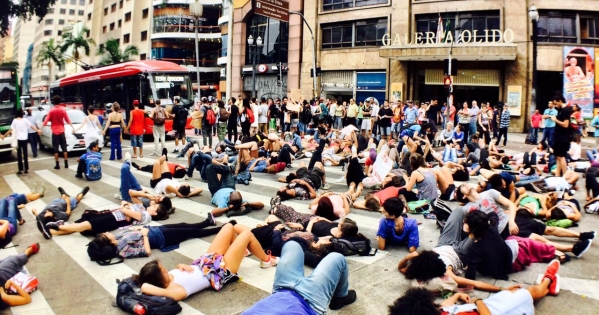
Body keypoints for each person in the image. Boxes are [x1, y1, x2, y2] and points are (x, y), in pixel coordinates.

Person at [134, 223, 279, 301]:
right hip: (220, 272)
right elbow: (154, 289)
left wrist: (180, 265)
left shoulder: (167, 279)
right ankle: (266, 260)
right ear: (159, 281)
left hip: (205, 262)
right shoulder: (174, 291)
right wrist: (145, 286)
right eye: (163, 271)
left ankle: (241, 251)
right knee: (247, 234)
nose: (166, 270)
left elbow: (176, 272)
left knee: (228, 227)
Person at [243, 241, 356, 314]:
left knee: (292, 245)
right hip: (310, 304)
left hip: (282, 291)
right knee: (336, 258)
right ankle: (341, 297)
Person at [89, 215, 220, 259]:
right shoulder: (122, 250)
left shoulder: (117, 237)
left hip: (156, 230)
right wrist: (145, 235)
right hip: (161, 238)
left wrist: (138, 229)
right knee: (191, 231)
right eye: (105, 234)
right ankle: (220, 229)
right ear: (108, 242)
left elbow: (131, 231)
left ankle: (207, 222)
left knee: (183, 225)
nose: (106, 231)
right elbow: (146, 252)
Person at [43, 199, 155, 238]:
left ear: (155, 213)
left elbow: (125, 212)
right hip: (108, 213)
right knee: (79, 224)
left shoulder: (146, 216)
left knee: (86, 225)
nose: (152, 204)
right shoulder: (141, 207)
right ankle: (52, 232)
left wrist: (127, 210)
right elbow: (124, 203)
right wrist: (126, 207)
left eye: (155, 206)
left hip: (113, 220)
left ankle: (57, 225)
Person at [0, 244, 41, 308]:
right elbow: (27, 299)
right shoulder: (3, 297)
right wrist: (11, 282)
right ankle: (27, 253)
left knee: (9, 260)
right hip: (6, 273)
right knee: (12, 260)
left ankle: (25, 254)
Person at [1, 110, 40, 174]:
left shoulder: (15, 121)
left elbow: (10, 130)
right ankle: (26, 169)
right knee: (25, 154)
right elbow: (31, 126)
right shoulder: (25, 120)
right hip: (25, 139)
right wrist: (38, 130)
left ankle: (20, 169)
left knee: (19, 155)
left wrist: (4, 136)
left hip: (18, 139)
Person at [43, 95, 74, 169]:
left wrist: (41, 128)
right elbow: (67, 120)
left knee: (55, 149)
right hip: (61, 131)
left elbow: (46, 121)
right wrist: (72, 127)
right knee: (64, 147)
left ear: (53, 102)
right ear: (60, 102)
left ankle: (57, 164)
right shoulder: (63, 110)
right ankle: (66, 163)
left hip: (55, 131)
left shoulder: (51, 110)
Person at [552, 95, 573, 177]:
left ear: (560, 101)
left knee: (561, 157)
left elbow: (565, 124)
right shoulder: (560, 110)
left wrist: (555, 120)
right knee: (557, 157)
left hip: (563, 138)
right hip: (558, 137)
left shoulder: (566, 111)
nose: (555, 105)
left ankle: (565, 175)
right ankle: (557, 174)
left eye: (556, 103)